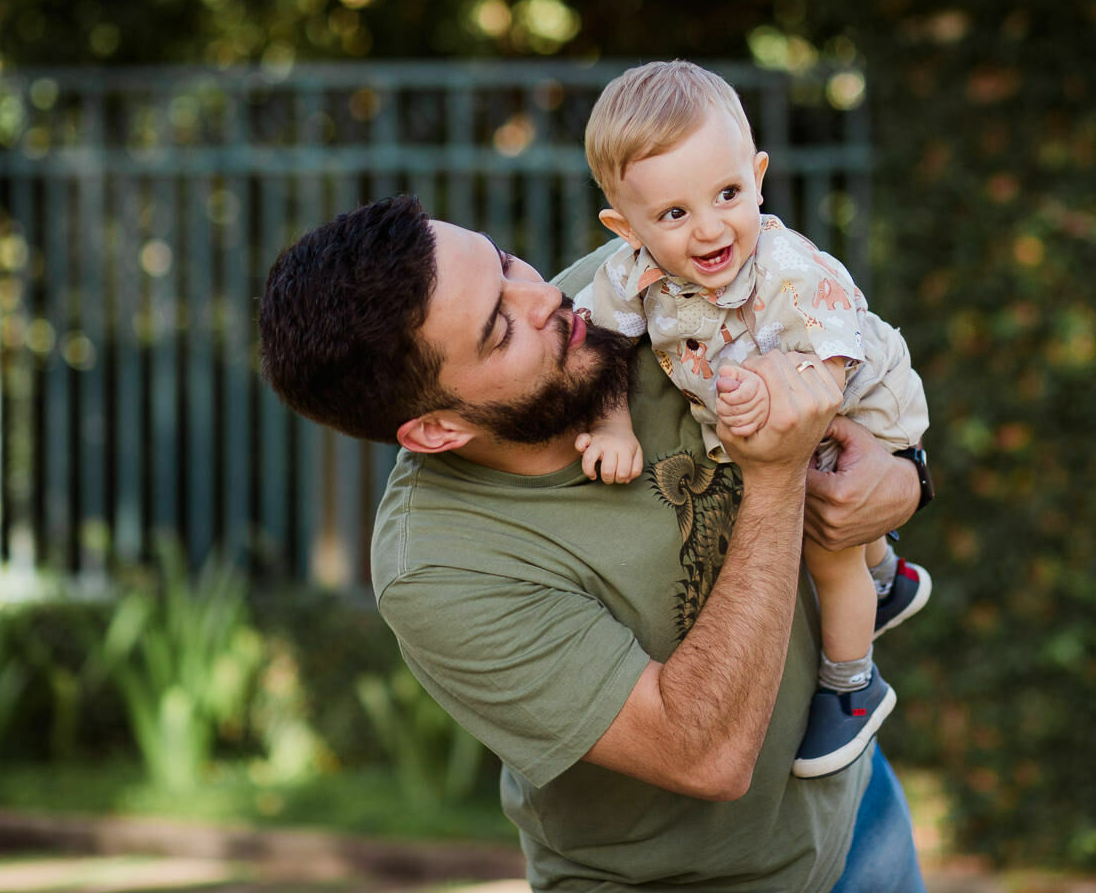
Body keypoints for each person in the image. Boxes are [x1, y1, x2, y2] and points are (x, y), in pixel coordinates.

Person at [256, 193, 931, 892]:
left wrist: (906, 477)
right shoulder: (439, 569)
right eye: (499, 329)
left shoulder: (639, 285)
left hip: (855, 814)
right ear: (437, 430)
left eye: (505, 262)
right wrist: (776, 476)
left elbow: (850, 359)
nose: (545, 297)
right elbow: (707, 757)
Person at [575, 61, 932, 779]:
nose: (710, 228)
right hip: (775, 413)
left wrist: (770, 401)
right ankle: (888, 577)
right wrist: (612, 426)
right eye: (674, 214)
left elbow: (830, 371)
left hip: (850, 397)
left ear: (758, 177)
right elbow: (599, 346)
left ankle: (854, 686)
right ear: (626, 227)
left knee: (826, 542)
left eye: (728, 194)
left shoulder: (789, 268)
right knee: (836, 535)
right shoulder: (630, 272)